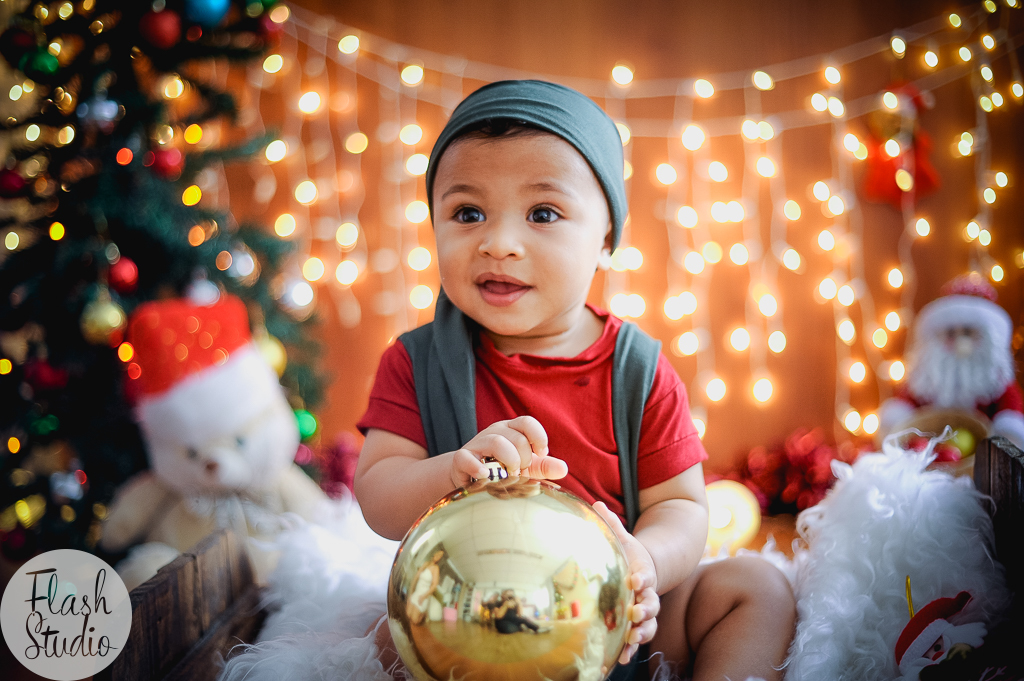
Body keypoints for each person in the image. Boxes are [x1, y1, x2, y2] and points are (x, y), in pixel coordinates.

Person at [354, 79, 795, 681]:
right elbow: (379, 495)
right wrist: (448, 470)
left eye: (543, 213)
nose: (499, 243)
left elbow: (682, 506)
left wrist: (644, 562)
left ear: (606, 238)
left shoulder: (636, 369)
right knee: (390, 638)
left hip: (623, 617)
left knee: (755, 588)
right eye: (467, 212)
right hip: (478, 611)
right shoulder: (417, 362)